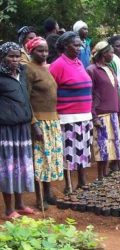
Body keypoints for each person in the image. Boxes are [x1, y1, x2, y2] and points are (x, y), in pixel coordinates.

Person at [49, 32, 93, 193]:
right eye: (75, 45)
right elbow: (50, 92)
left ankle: (82, 181)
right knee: (69, 152)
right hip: (67, 117)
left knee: (82, 151)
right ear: (65, 46)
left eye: (80, 45)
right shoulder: (58, 65)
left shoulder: (79, 63)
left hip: (84, 116)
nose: (79, 48)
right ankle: (68, 185)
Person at [26, 37, 64, 210]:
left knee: (50, 159)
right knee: (39, 160)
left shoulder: (47, 68)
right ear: (31, 51)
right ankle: (39, 197)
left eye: (46, 50)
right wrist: (34, 123)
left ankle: (48, 193)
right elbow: (25, 100)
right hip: (39, 121)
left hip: (52, 120)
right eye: (40, 50)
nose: (44, 54)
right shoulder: (28, 69)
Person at [0, 42, 35, 219]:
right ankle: (8, 209)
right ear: (3, 57)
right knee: (8, 167)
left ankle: (20, 204)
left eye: (17, 56)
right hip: (6, 130)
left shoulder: (22, 73)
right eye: (10, 56)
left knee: (21, 166)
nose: (15, 60)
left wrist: (33, 122)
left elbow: (26, 98)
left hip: (23, 128)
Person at [87, 41, 120, 181]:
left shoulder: (110, 69)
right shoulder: (92, 70)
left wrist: (119, 112)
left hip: (113, 113)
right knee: (102, 146)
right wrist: (94, 116)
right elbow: (89, 95)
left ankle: (106, 172)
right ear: (103, 54)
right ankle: (100, 175)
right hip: (101, 113)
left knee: (112, 145)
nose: (113, 55)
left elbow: (116, 91)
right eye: (111, 52)